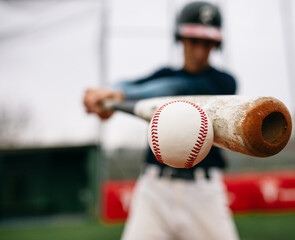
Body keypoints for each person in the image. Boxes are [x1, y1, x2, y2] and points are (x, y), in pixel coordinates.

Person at [84, 1, 240, 240]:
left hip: (203, 191)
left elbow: (176, 88)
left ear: (216, 45)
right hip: (154, 189)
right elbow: (139, 85)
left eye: (207, 43)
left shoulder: (223, 82)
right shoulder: (164, 74)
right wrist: (108, 93)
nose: (200, 51)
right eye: (193, 41)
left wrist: (120, 94)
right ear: (181, 39)